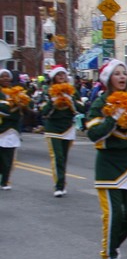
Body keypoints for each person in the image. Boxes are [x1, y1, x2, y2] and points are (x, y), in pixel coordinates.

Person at [85, 59, 127, 259]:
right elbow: (94, 134)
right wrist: (113, 118)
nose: (122, 77)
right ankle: (109, 252)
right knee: (113, 213)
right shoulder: (100, 102)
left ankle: (114, 243)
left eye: (124, 73)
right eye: (117, 73)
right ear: (108, 79)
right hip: (108, 163)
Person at [40, 65, 85, 197]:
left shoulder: (72, 91)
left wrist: (71, 100)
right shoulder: (48, 92)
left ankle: (62, 182)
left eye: (63, 74)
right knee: (58, 157)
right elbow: (42, 112)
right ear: (54, 77)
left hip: (68, 128)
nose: (61, 77)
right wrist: (52, 102)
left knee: (64, 158)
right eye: (58, 75)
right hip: (53, 128)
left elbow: (82, 109)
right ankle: (59, 185)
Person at [0, 68, 28, 189]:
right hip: (1, 128)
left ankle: (5, 181)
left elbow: (26, 108)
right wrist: (16, 109)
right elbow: (4, 110)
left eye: (7, 76)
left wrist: (21, 105)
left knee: (10, 156)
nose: (5, 78)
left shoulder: (16, 92)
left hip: (13, 129)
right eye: (2, 76)